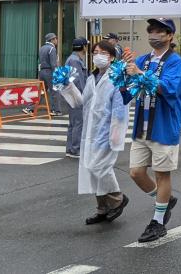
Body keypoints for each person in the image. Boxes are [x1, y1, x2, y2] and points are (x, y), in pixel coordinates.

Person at [54, 41, 131, 225]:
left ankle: (118, 199)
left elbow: (121, 109)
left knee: (100, 167)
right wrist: (67, 85)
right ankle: (102, 208)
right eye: (95, 52)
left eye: (103, 52)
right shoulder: (91, 78)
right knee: (91, 169)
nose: (98, 55)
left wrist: (116, 133)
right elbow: (80, 102)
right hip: (90, 131)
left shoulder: (117, 78)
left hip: (107, 133)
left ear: (112, 57)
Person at [124, 17, 181, 244]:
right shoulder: (143, 59)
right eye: (151, 30)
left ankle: (158, 222)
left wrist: (139, 73)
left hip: (163, 126)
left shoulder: (175, 62)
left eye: (160, 31)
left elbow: (169, 88)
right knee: (136, 172)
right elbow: (127, 92)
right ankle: (164, 200)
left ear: (170, 36)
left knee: (162, 174)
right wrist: (123, 72)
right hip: (142, 127)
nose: (154, 34)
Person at [63, 37, 89, 158]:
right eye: (86, 45)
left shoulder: (72, 58)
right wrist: (84, 96)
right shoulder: (75, 60)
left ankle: (70, 148)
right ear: (83, 47)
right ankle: (75, 149)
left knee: (73, 123)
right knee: (78, 122)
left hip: (72, 94)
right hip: (76, 95)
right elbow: (79, 80)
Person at [32, 33, 62, 116]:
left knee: (41, 91)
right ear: (52, 40)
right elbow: (53, 64)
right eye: (55, 38)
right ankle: (55, 110)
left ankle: (30, 108)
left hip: (42, 71)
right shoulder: (52, 49)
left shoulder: (41, 48)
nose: (56, 40)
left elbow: (39, 61)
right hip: (50, 72)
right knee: (55, 91)